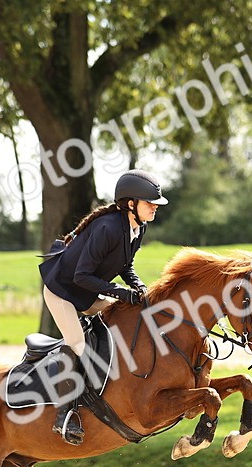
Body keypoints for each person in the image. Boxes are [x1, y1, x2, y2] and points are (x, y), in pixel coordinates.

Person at [37, 169, 169, 445]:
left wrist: (139, 287)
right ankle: (63, 416)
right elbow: (80, 276)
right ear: (130, 203)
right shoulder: (107, 227)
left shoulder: (137, 227)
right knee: (77, 343)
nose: (155, 208)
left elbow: (126, 265)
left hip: (87, 292)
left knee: (128, 317)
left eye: (156, 204)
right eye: (150, 203)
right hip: (63, 291)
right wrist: (121, 293)